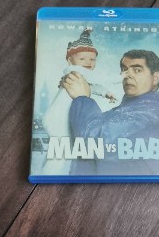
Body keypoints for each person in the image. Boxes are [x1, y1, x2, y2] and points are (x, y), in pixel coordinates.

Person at [63, 49, 159, 175]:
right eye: (124, 69)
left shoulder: (152, 113)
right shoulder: (130, 110)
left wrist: (82, 98)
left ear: (155, 78)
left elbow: (93, 142)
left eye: (137, 70)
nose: (127, 75)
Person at [41, 30, 117, 174]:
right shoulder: (73, 71)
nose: (88, 62)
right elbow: (99, 78)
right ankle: (50, 174)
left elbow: (91, 86)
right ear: (70, 60)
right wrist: (121, 76)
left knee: (59, 150)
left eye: (92, 59)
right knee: (62, 152)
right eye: (82, 58)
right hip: (58, 119)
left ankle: (47, 170)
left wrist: (106, 93)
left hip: (60, 118)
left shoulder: (81, 77)